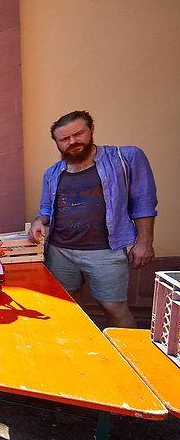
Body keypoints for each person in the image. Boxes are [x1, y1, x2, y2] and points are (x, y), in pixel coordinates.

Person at [28, 110, 158, 328]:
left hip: (106, 251)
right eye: (64, 139)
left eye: (78, 134)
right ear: (57, 143)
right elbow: (46, 208)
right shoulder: (52, 173)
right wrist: (39, 221)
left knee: (114, 308)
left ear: (91, 130)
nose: (72, 142)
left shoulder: (125, 158)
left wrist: (144, 242)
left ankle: (126, 349)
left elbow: (143, 202)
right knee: (69, 306)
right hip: (60, 252)